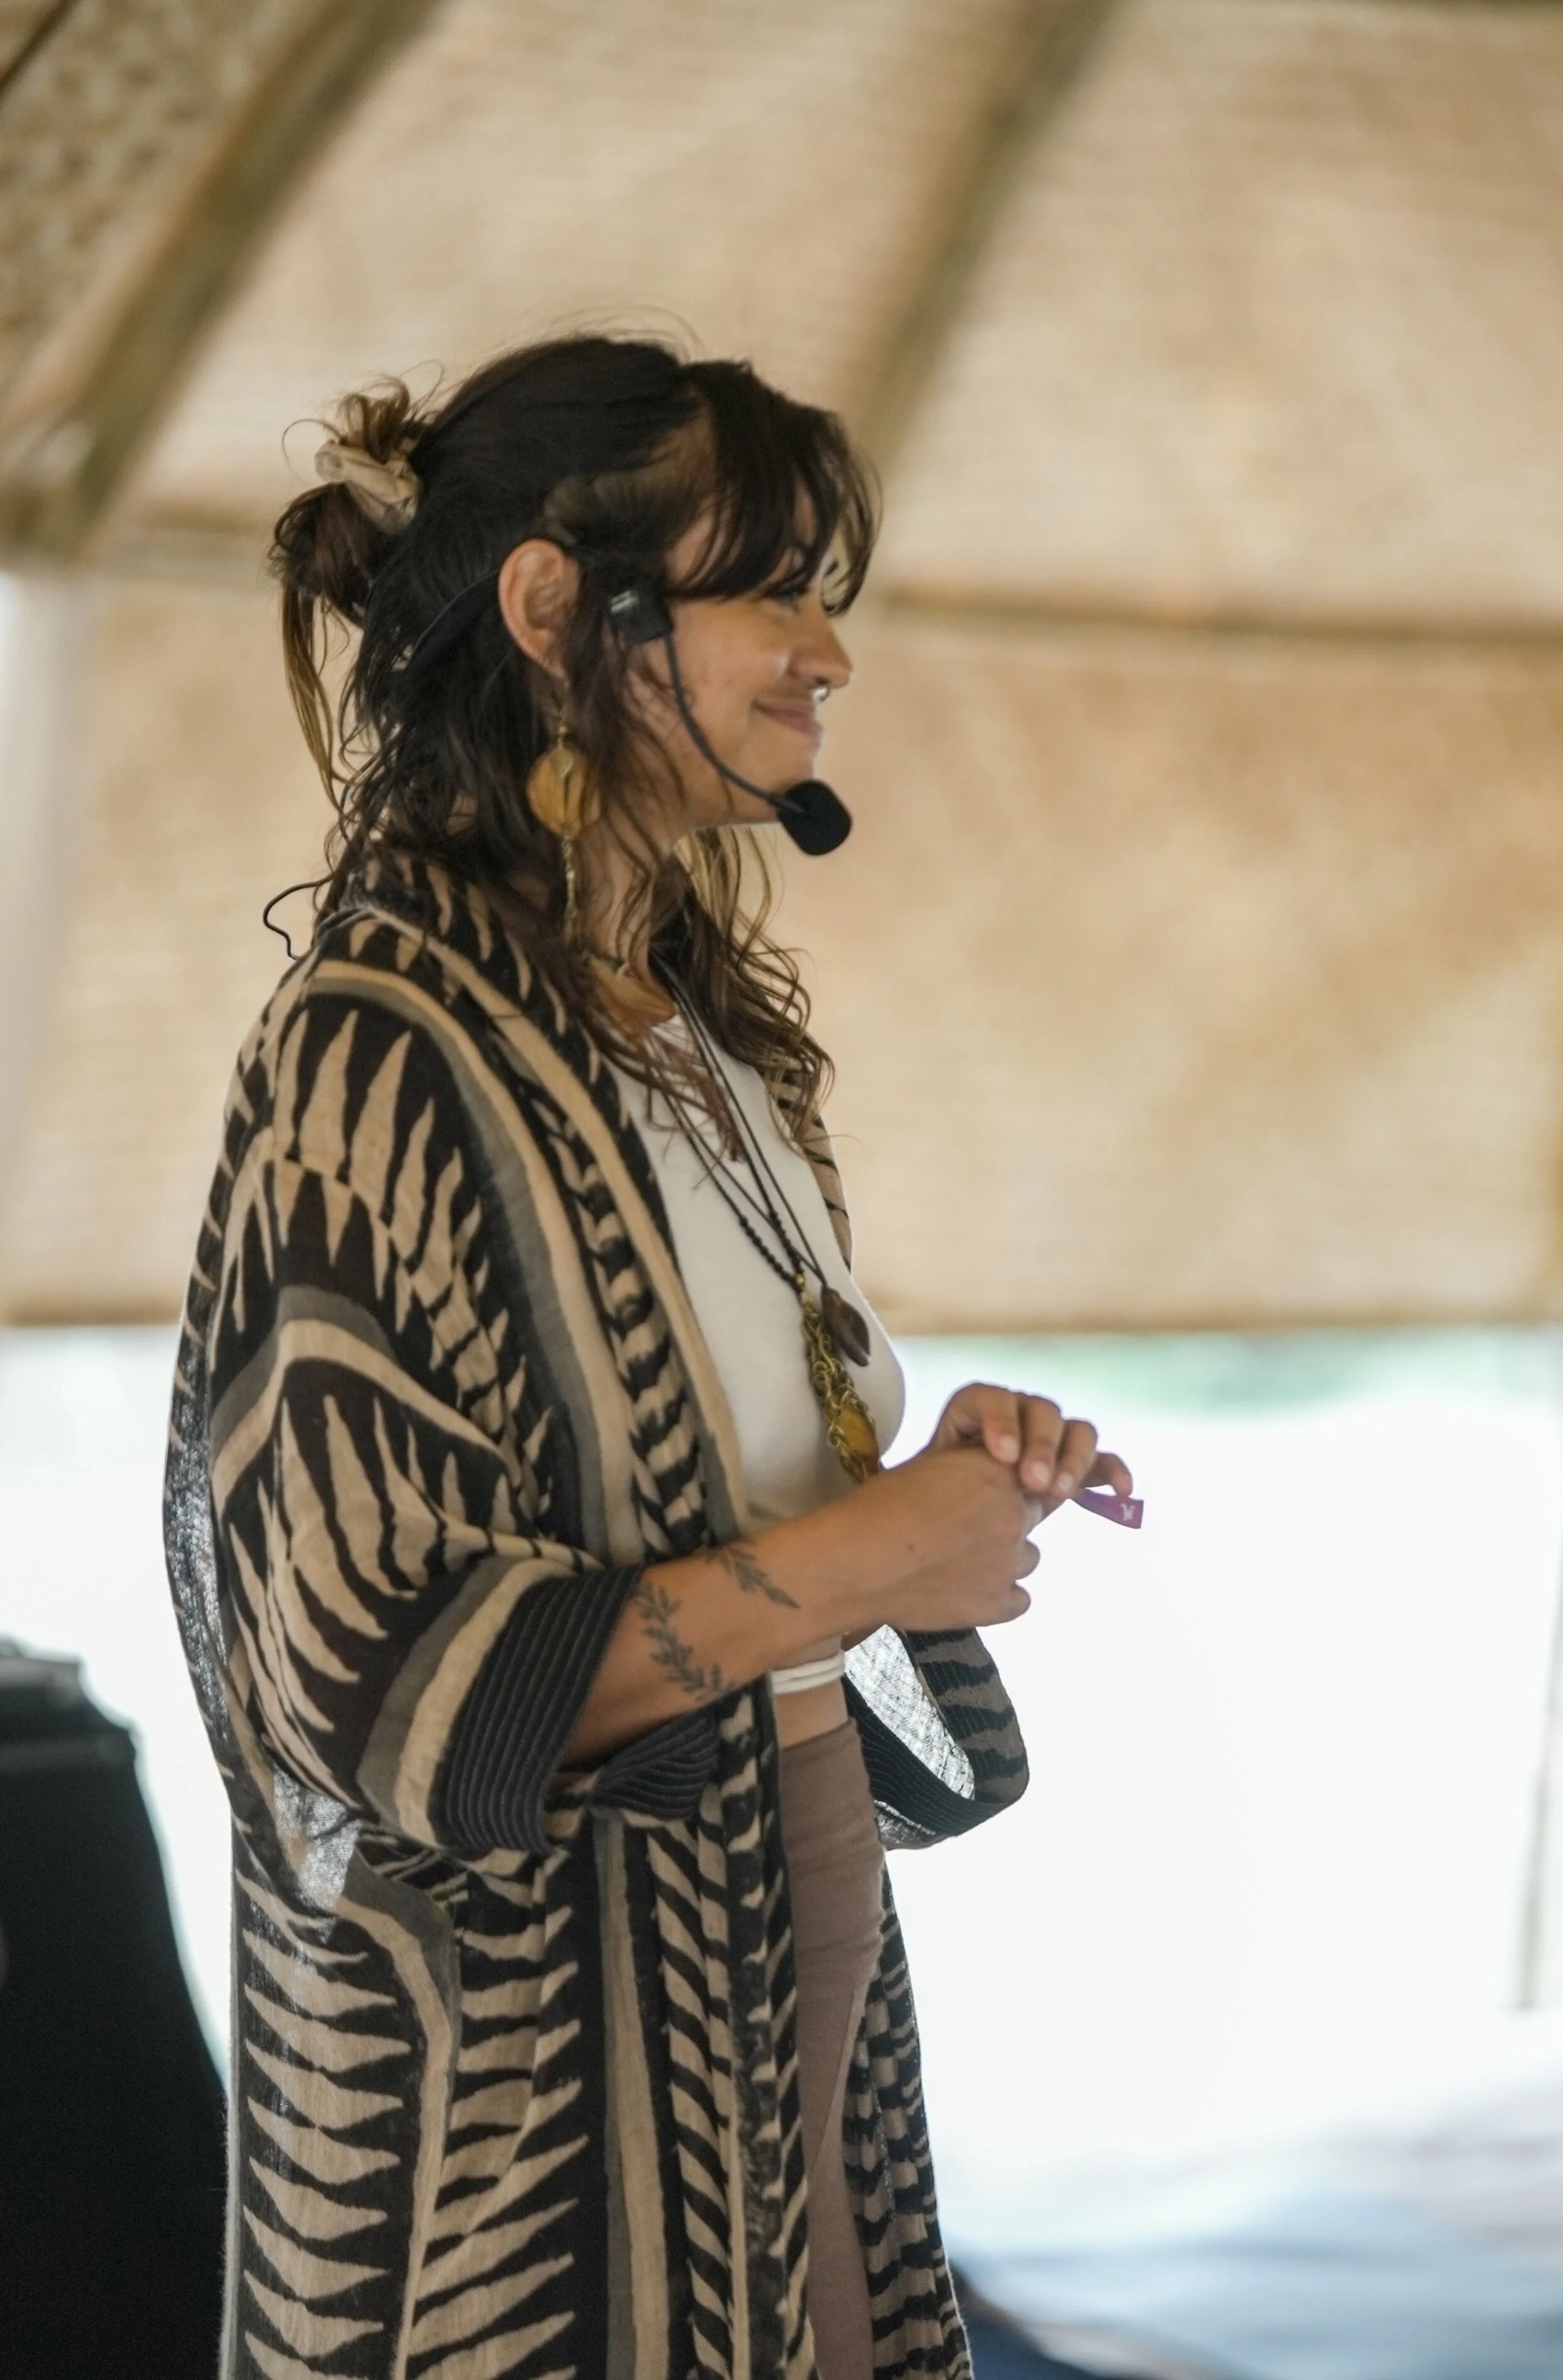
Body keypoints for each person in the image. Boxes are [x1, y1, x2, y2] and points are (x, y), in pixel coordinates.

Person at [165, 334, 1130, 2380]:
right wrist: (880, 1564)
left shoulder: (696, 1032)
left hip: (766, 1962)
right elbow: (376, 1674)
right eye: (765, 585)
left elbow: (713, 1477)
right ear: (551, 608)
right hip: (530, 2112)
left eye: (821, 592)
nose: (823, 652)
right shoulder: (376, 1054)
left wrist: (918, 1480)